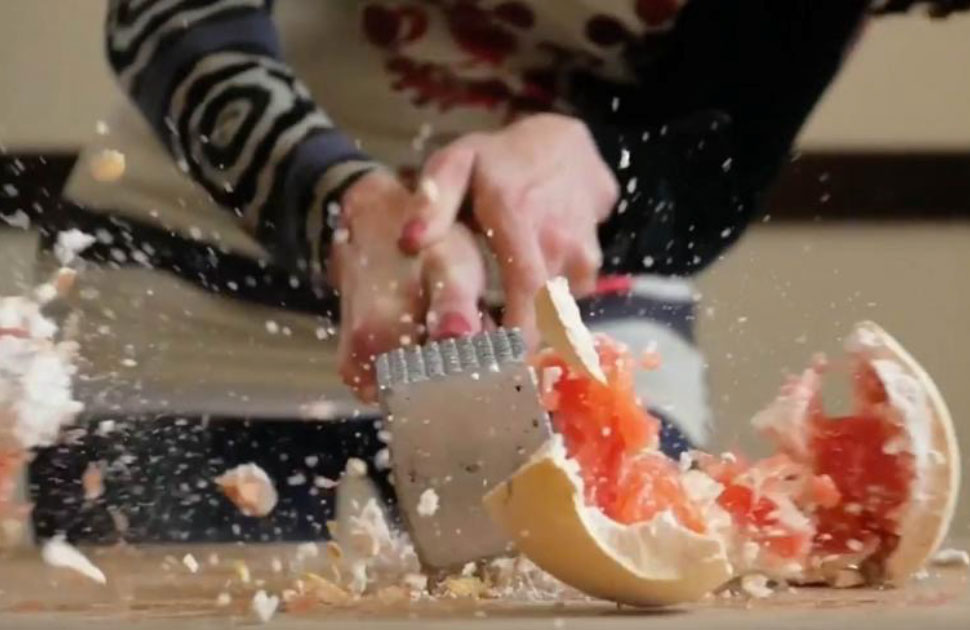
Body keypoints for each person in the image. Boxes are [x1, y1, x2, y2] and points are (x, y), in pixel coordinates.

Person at [20, 0, 967, 543]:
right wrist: (335, 199)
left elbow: (729, 132)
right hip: (197, 301)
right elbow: (172, 15)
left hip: (580, 310)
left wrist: (607, 162)